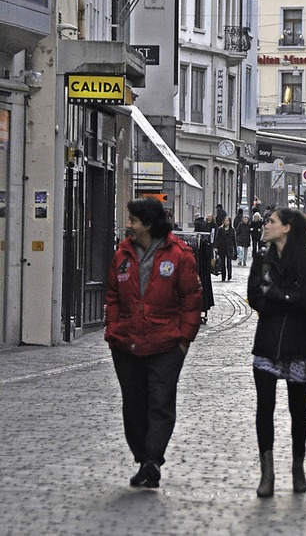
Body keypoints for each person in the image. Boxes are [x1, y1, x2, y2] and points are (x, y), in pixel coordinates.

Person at [104, 197, 202, 488]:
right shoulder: (122, 253)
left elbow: (192, 298)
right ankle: (142, 457)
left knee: (160, 403)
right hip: (126, 343)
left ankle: (152, 460)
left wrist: (184, 340)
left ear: (146, 223)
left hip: (166, 344)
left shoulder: (179, 254)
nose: (128, 225)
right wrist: (113, 330)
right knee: (133, 405)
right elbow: (112, 294)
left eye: (133, 220)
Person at [247, 208, 306, 497]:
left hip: (297, 342)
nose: (266, 225)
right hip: (266, 341)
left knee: (297, 409)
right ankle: (267, 471)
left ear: (287, 227)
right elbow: (254, 296)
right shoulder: (261, 259)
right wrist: (284, 298)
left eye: (271, 222)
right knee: (264, 407)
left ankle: (297, 465)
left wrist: (276, 294)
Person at [213, 215, 237, 281]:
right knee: (222, 263)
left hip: (229, 248)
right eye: (225, 221)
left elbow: (234, 240)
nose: (226, 222)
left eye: (227, 221)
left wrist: (235, 249)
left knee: (229, 262)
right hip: (222, 247)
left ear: (229, 222)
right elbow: (217, 238)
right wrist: (215, 247)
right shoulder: (220, 229)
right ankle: (223, 276)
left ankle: (229, 275)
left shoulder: (232, 230)